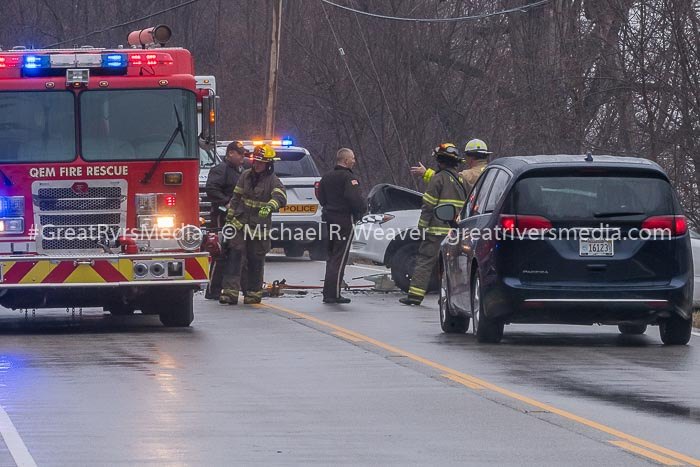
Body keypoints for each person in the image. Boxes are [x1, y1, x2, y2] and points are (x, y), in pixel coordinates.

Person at [400, 143, 468, 306]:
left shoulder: (438, 178)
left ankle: (415, 296)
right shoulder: (461, 179)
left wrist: (421, 228)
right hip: (455, 232)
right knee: (453, 266)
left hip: (436, 232)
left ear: (440, 160)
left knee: (425, 261)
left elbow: (428, 205)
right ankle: (452, 299)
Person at [219, 144, 287, 305]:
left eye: (260, 162)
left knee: (255, 260)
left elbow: (281, 198)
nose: (256, 164)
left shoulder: (273, 181)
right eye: (255, 161)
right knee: (234, 257)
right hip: (240, 224)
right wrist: (230, 216)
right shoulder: (246, 176)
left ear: (268, 164)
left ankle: (253, 293)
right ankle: (230, 293)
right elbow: (236, 197)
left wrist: (270, 206)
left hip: (259, 229)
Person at [318, 148, 366, 304]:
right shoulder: (348, 178)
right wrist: (361, 211)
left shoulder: (326, 177)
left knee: (332, 256)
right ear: (345, 161)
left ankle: (328, 292)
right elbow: (355, 199)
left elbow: (321, 197)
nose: (354, 161)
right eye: (352, 158)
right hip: (344, 221)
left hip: (330, 220)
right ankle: (334, 294)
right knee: (340, 257)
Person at [204, 141, 248, 300]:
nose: (243, 157)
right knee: (220, 252)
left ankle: (242, 287)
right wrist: (225, 202)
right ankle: (213, 290)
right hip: (220, 217)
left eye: (244, 154)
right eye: (240, 153)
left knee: (237, 252)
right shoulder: (220, 170)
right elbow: (211, 189)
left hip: (238, 218)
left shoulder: (241, 170)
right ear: (230, 153)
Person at [411, 138, 492, 192]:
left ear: (471, 157)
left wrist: (426, 173)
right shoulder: (493, 171)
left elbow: (446, 181)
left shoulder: (468, 175)